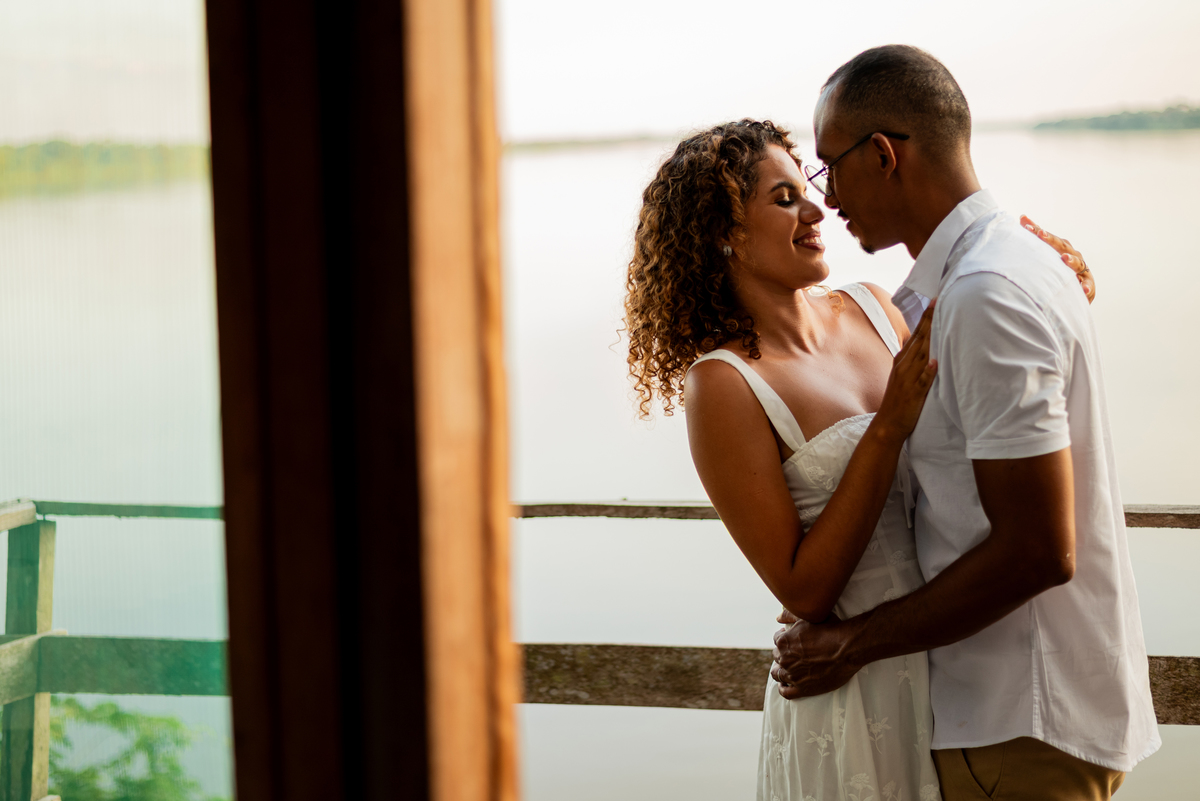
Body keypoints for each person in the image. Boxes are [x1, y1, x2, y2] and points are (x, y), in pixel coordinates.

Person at [623, 118, 1092, 799]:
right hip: (848, 689)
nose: (818, 209)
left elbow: (991, 366)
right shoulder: (723, 384)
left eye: (808, 188)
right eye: (783, 199)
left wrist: (1056, 288)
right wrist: (887, 426)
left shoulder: (878, 306)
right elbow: (803, 590)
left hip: (950, 658)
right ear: (722, 233)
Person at [769, 45, 1159, 801]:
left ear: (882, 154)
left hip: (1018, 719)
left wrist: (854, 643)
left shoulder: (986, 291)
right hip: (1014, 716)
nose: (826, 196)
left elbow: (1040, 549)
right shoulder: (995, 271)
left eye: (829, 166)